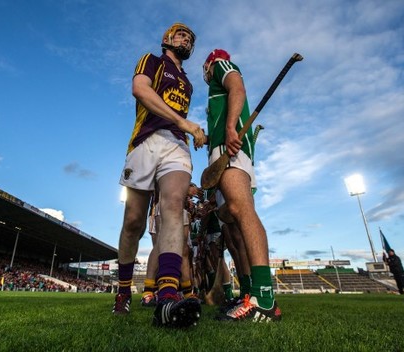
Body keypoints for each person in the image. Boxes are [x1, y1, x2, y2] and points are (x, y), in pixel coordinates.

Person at [112, 23, 206, 328]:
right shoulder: (151, 61)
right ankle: (124, 291)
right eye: (181, 35)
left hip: (176, 145)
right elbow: (140, 90)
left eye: (190, 39)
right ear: (167, 39)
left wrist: (192, 131)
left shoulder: (188, 84)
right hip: (145, 142)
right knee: (134, 222)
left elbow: (181, 123)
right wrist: (185, 122)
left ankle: (167, 294)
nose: (186, 40)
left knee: (173, 207)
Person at [202, 49, 281, 322]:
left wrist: (230, 128)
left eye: (205, 65)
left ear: (208, 64)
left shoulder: (221, 66)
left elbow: (238, 87)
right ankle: (248, 294)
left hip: (230, 147)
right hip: (221, 152)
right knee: (233, 229)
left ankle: (264, 298)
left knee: (241, 210)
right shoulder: (212, 93)